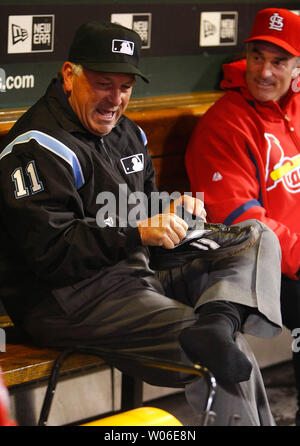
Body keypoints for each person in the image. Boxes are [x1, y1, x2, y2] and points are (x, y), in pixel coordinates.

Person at [0, 21, 283, 426]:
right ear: (69, 75)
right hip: (70, 300)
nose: (115, 99)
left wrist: (173, 210)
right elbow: (53, 253)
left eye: (126, 87)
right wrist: (138, 231)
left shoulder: (125, 132)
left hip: (137, 272)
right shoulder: (35, 147)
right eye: (102, 83)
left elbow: (134, 208)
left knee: (256, 237)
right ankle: (216, 334)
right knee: (222, 358)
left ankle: (219, 322)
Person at [185, 7, 300, 425]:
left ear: (296, 66)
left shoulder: (296, 106)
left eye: (279, 61)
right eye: (257, 57)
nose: (264, 71)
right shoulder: (225, 124)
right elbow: (244, 223)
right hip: (254, 270)